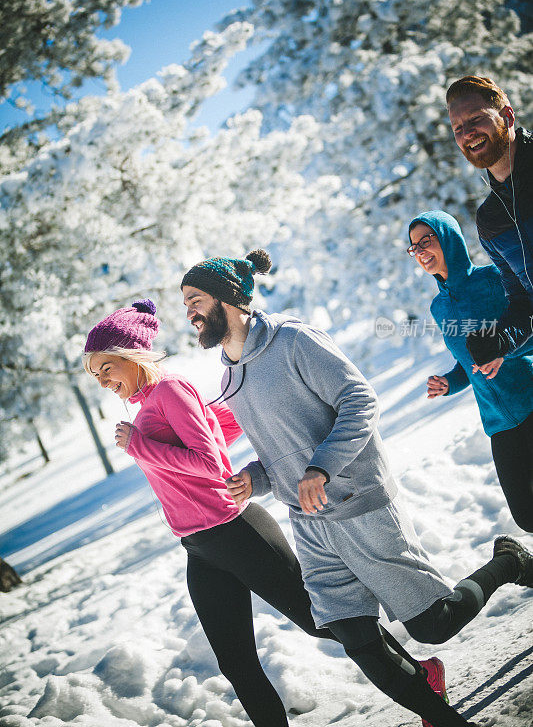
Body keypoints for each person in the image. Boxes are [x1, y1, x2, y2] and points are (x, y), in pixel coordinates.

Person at [181, 249, 533, 727]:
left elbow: (360, 401)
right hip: (309, 525)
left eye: (195, 299)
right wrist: (256, 478)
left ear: (227, 299)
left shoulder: (293, 340)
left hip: (359, 505)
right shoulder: (229, 375)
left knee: (434, 623)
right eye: (185, 304)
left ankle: (510, 561)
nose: (189, 313)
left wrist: (322, 469)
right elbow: (285, 445)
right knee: (354, 636)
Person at [82, 297, 429, 727]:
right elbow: (218, 427)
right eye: (94, 375)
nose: (101, 380)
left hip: (237, 531)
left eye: (106, 368)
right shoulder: (149, 404)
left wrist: (141, 446)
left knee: (325, 624)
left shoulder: (170, 389)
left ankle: (422, 678)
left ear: (131, 357)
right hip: (199, 548)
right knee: (237, 665)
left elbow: (210, 466)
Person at [407, 210, 533, 532]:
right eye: (414, 247)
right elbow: (468, 364)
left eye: (426, 240)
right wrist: (449, 382)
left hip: (529, 399)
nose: (420, 252)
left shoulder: (494, 279)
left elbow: (527, 329)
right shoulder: (439, 308)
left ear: (448, 238)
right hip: (498, 422)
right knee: (525, 514)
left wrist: (504, 351)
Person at [446, 75, 533, 377]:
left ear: (507, 116)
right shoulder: (490, 220)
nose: (467, 133)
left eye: (475, 119)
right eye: (458, 128)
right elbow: (524, 302)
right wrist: (500, 339)